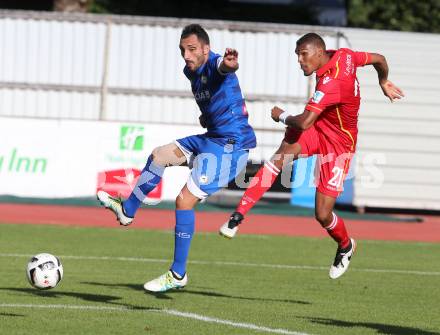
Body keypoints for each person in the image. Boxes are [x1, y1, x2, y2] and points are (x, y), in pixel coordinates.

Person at [219, 33, 404, 279]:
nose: (299, 60)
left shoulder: (332, 82)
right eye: (297, 55)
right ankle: (237, 216)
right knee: (280, 158)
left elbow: (305, 121)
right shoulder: (345, 56)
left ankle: (346, 245)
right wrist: (384, 81)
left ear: (319, 52)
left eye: (303, 54)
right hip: (319, 128)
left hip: (339, 144)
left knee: (322, 214)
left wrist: (282, 116)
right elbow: (379, 59)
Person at [97, 24, 256, 292]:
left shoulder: (216, 63)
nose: (186, 55)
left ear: (206, 49)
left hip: (231, 146)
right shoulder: (190, 72)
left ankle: (178, 274)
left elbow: (223, 69)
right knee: (159, 156)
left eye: (192, 49)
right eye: (183, 50)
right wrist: (208, 116)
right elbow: (210, 101)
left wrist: (229, 64)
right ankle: (127, 211)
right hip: (211, 137)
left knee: (184, 201)